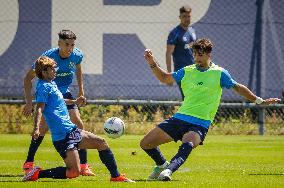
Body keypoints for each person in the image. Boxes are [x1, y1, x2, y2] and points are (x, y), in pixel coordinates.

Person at [140, 38, 281, 181]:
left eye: (200, 55)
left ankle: (168, 171)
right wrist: (152, 62)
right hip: (179, 118)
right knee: (145, 144)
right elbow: (164, 78)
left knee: (188, 144)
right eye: (194, 54)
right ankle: (162, 164)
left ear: (209, 55)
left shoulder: (219, 73)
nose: (197, 58)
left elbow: (238, 87)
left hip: (200, 123)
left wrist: (259, 100)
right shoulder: (187, 71)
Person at [22, 56, 134, 182]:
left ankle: (116, 176)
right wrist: (36, 128)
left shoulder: (51, 83)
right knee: (74, 172)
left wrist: (74, 101)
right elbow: (39, 108)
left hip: (71, 130)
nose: (55, 71)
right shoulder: (43, 87)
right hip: (62, 137)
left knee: (101, 143)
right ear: (44, 71)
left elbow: (59, 100)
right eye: (53, 69)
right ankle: (37, 173)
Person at [22, 30, 94, 176]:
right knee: (42, 128)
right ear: (59, 43)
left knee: (78, 123)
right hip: (50, 93)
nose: (70, 48)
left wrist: (81, 91)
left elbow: (79, 70)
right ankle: (29, 163)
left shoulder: (77, 55)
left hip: (64, 92)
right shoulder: (47, 58)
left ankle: (84, 166)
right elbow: (27, 79)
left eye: (72, 45)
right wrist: (29, 102)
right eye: (66, 44)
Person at [166, 5, 197, 99]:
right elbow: (168, 54)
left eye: (188, 16)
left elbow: (195, 51)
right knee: (188, 98)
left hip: (194, 70)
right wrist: (169, 75)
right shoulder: (174, 33)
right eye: (184, 16)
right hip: (181, 71)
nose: (187, 19)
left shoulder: (192, 31)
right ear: (180, 17)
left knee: (195, 98)